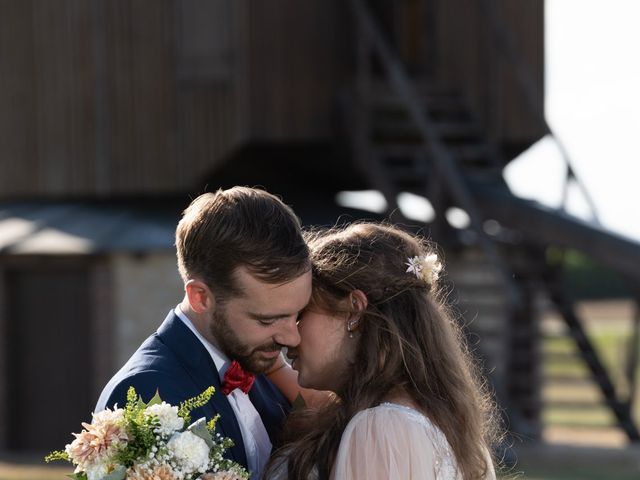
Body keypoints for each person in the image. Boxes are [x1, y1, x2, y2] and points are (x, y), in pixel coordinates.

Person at [95, 187, 312, 480]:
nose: (291, 338)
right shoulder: (147, 394)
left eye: (297, 315)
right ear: (200, 297)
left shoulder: (264, 372)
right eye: (267, 320)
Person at [265, 222, 499, 480]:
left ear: (354, 311)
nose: (290, 334)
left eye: (301, 314)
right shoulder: (449, 425)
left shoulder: (381, 429)